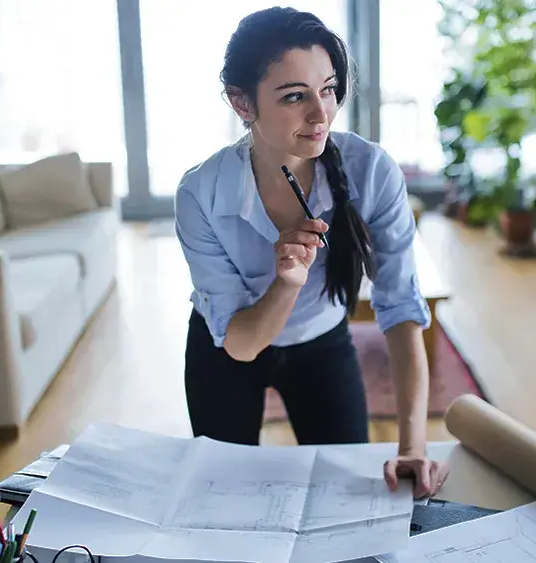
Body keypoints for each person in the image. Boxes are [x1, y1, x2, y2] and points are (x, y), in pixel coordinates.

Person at [173, 6, 448, 498]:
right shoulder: (201, 192)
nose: (321, 113)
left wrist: (413, 445)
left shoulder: (371, 171)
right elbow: (240, 344)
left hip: (323, 343)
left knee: (346, 494)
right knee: (223, 497)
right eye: (294, 96)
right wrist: (286, 282)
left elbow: (402, 307)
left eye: (327, 89)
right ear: (242, 103)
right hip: (227, 349)